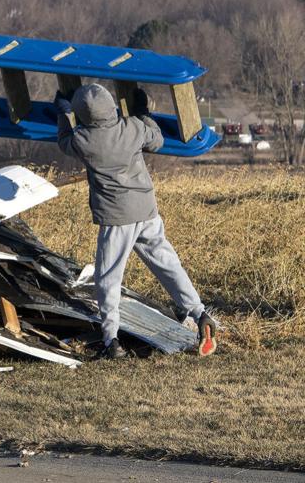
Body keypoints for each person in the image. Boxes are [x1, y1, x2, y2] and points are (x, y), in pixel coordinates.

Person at [54, 83, 218, 358]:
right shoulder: (132, 128)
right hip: (146, 211)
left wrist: (62, 113)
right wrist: (142, 112)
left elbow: (63, 141)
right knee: (168, 264)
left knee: (108, 278)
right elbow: (157, 139)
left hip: (116, 218)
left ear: (83, 116)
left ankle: (111, 340)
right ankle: (199, 313)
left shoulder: (85, 141)